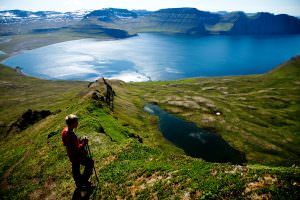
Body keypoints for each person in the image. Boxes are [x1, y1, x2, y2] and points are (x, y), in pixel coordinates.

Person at [62, 114, 94, 188]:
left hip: (71, 154)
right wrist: (84, 143)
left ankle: (78, 182)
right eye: (76, 122)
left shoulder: (65, 131)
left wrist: (79, 140)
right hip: (77, 155)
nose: (77, 123)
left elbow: (67, 143)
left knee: (75, 167)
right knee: (90, 163)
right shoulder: (71, 135)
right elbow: (77, 149)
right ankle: (83, 181)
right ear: (73, 124)